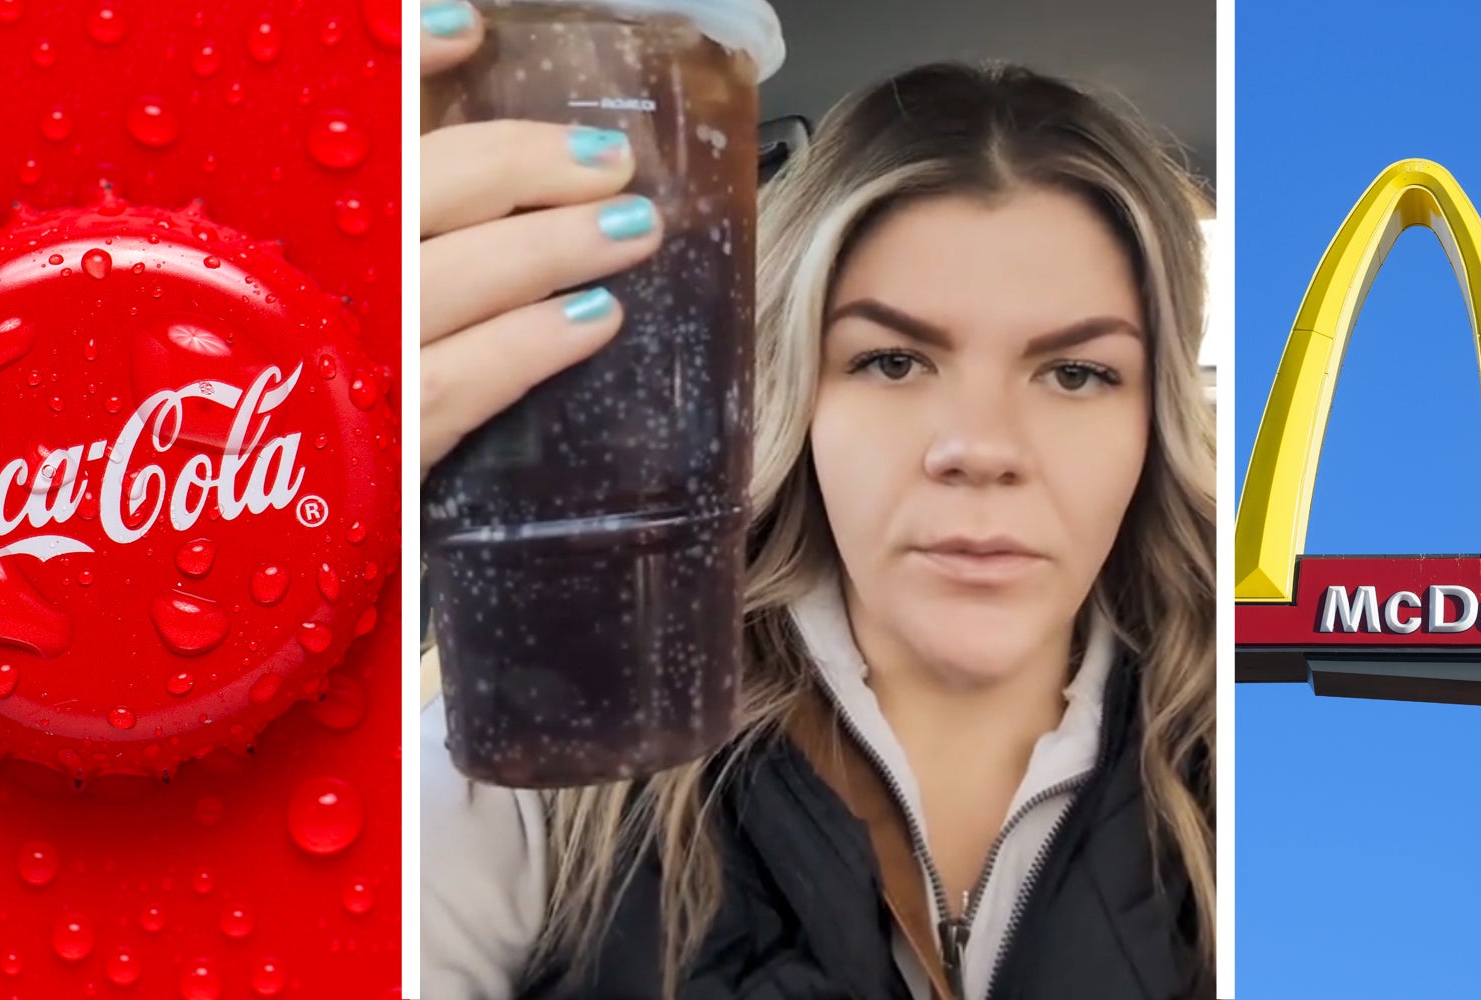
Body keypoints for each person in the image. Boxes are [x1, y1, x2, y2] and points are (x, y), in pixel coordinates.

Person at [418, 7, 1215, 999]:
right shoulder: (560, 738)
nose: (978, 449)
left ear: (1155, 418)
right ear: (789, 393)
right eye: (890, 360)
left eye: (1076, 374)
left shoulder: (1282, 763)